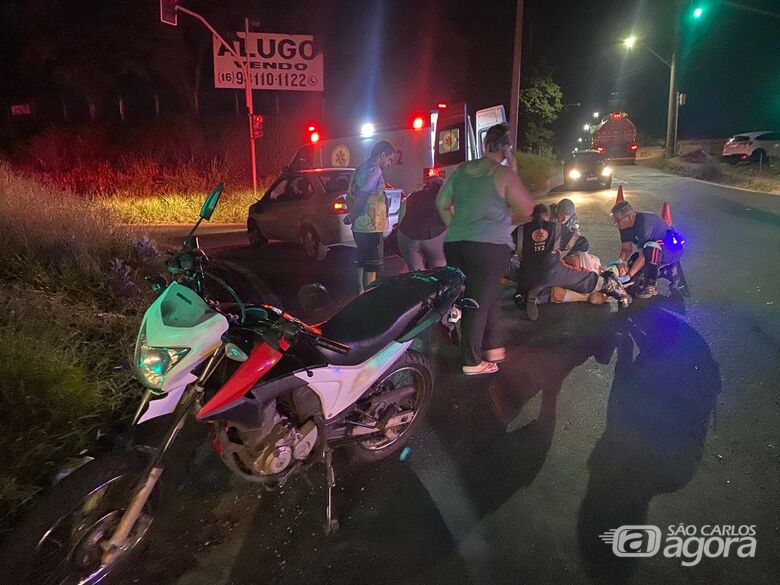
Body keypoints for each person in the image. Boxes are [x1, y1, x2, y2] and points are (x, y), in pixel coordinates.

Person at [435, 123, 534, 376]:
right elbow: (527, 209)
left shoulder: (462, 170)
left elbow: (441, 203)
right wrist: (513, 172)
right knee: (478, 300)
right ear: (506, 148)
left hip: (456, 244)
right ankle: (471, 361)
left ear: (484, 144)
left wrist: (457, 226)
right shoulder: (504, 175)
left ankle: (492, 347)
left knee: (486, 294)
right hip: (488, 248)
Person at [515, 203, 628, 320]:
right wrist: (568, 257)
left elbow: (504, 255)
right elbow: (583, 242)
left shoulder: (520, 231)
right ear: (548, 216)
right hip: (553, 271)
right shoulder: (556, 227)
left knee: (527, 284)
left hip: (528, 274)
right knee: (586, 279)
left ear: (532, 217)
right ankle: (615, 291)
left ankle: (529, 295)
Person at [345, 140, 396, 293]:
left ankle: (360, 296)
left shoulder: (360, 168)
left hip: (361, 226)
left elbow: (349, 195)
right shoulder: (374, 170)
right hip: (370, 227)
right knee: (371, 267)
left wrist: (352, 215)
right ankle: (368, 299)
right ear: (382, 155)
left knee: (363, 263)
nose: (390, 163)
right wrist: (353, 215)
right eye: (389, 159)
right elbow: (363, 195)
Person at [610, 200, 684, 298]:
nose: (616, 223)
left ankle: (651, 285)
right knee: (632, 275)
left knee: (650, 248)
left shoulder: (644, 223)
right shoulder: (624, 226)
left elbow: (643, 256)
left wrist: (629, 275)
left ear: (629, 216)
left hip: (671, 250)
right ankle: (665, 272)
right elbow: (626, 249)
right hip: (653, 252)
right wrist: (619, 263)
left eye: (618, 220)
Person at [397, 176, 448, 271]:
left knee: (417, 273)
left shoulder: (412, 196)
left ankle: (419, 282)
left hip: (408, 237)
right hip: (435, 236)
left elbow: (400, 220)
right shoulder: (443, 197)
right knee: (439, 268)